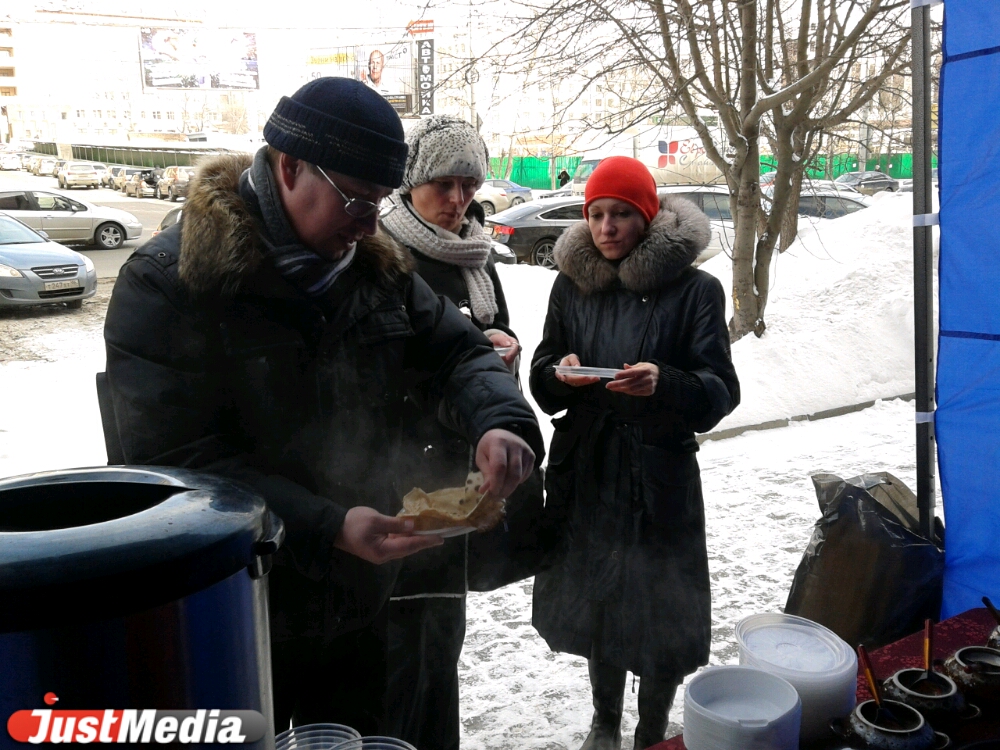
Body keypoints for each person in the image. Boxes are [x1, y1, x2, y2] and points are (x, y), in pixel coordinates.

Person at [102, 77, 544, 736]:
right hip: (239, 611)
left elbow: (463, 354)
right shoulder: (172, 284)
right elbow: (173, 466)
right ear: (289, 167)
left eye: (380, 201)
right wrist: (327, 525)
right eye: (356, 200)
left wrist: (500, 423)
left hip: (360, 606)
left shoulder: (375, 271)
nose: (370, 225)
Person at [529, 156, 739, 750]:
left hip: (658, 476)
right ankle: (604, 721)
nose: (606, 227)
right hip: (590, 473)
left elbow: (721, 389)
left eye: (621, 213)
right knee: (601, 602)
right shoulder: (572, 286)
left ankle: (650, 731)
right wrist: (558, 374)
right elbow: (543, 376)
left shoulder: (697, 290)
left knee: (661, 610)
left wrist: (665, 383)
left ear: (646, 217)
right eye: (595, 214)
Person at [380, 115, 519, 750]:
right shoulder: (382, 253)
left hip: (459, 479)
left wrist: (500, 357)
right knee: (397, 658)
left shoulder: (477, 259)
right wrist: (460, 365)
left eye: (469, 184)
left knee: (441, 644)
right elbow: (377, 375)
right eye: (444, 184)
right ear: (411, 182)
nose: (459, 200)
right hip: (397, 482)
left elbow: (490, 353)